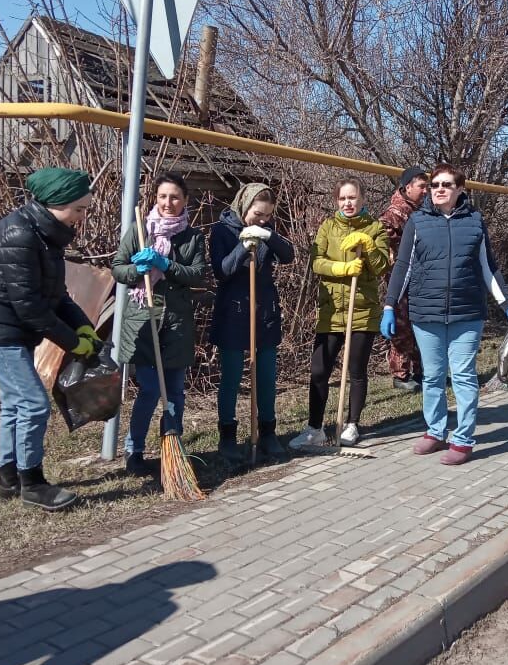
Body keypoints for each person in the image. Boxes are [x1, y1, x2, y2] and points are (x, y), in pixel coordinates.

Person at [0, 167, 98, 512]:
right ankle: (32, 484)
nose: (82, 217)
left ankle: (8, 478)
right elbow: (30, 308)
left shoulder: (45, 233)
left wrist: (83, 327)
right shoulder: (19, 234)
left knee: (15, 403)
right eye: (79, 209)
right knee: (34, 403)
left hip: (14, 327)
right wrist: (73, 343)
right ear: (56, 203)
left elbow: (58, 295)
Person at [382, 163, 508, 465]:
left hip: (467, 315)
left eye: (446, 185)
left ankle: (463, 439)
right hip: (426, 314)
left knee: (462, 376)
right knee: (433, 377)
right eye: (435, 184)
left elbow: (489, 269)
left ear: (460, 189)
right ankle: (435, 431)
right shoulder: (418, 221)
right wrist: (389, 304)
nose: (438, 189)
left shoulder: (474, 221)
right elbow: (403, 267)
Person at [111, 172, 206, 477]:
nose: (168, 203)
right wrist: (136, 271)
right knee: (150, 391)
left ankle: (171, 450)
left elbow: (197, 274)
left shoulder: (192, 237)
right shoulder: (140, 230)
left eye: (175, 197)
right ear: (155, 198)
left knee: (175, 392)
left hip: (176, 325)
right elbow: (118, 268)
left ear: (185, 201)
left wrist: (166, 265)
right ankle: (134, 450)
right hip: (143, 320)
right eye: (163, 196)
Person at [290, 178, 390, 451]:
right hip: (331, 309)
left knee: (356, 370)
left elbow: (381, 266)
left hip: (362, 311)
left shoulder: (376, 227)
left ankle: (352, 424)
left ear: (363, 199)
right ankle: (315, 429)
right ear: (337, 201)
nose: (348, 203)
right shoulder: (328, 227)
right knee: (319, 370)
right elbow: (316, 261)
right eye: (343, 198)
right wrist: (341, 269)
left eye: (353, 198)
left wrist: (368, 246)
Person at [209, 182, 294, 464]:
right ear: (244, 206)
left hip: (264, 312)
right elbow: (222, 271)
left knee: (267, 377)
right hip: (233, 313)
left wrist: (267, 234)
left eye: (267, 215)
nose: (262, 219)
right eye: (258, 214)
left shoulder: (266, 230)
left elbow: (288, 255)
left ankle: (268, 432)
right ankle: (228, 436)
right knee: (232, 378)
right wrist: (243, 246)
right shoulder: (221, 231)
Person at [379, 166, 430, 392]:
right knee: (401, 327)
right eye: (422, 187)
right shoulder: (393, 215)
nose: (426, 191)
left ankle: (422, 371)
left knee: (420, 323)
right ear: (407, 187)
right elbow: (382, 246)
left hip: (420, 279)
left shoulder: (421, 211)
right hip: (400, 279)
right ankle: (401, 374)